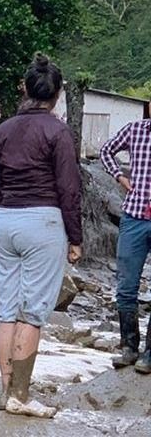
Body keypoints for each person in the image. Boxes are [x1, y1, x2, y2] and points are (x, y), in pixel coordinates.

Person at [0, 53, 82, 418]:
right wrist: (75, 237)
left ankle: (5, 390)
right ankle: (21, 396)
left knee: (7, 312)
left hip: (5, 221)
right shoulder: (58, 132)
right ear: (56, 95)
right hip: (43, 221)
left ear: (24, 88)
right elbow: (69, 190)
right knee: (32, 315)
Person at [99, 116, 151, 373]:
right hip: (134, 217)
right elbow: (106, 150)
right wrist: (120, 177)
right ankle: (129, 347)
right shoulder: (135, 130)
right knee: (126, 286)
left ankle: (150, 354)